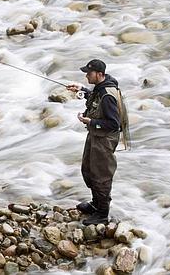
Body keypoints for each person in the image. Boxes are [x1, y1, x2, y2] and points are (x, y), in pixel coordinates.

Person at [66, 59, 125, 226]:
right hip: (96, 135)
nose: (86, 76)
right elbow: (95, 97)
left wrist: (90, 121)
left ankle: (102, 213)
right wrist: (82, 90)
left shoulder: (107, 96)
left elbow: (115, 124)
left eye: (89, 73)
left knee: (101, 176)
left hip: (104, 139)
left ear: (99, 74)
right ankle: (95, 203)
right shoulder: (101, 87)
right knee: (88, 169)